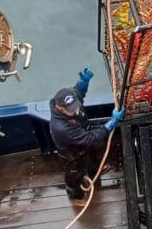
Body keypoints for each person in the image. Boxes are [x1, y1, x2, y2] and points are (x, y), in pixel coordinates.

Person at [50, 67, 125, 207]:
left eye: (76, 106)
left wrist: (83, 83)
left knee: (92, 158)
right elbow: (90, 138)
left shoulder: (72, 99)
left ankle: (95, 171)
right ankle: (76, 196)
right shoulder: (62, 128)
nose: (77, 110)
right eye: (72, 109)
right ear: (60, 108)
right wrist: (112, 123)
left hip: (83, 144)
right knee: (74, 175)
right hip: (72, 155)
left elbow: (78, 92)